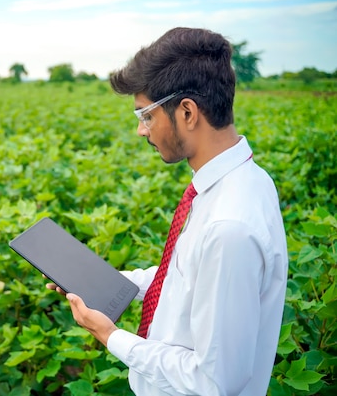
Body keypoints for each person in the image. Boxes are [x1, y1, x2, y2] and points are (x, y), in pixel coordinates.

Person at [46, 27, 288, 396]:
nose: (141, 131)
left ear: (187, 111)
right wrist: (103, 282)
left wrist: (111, 336)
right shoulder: (238, 182)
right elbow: (187, 279)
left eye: (146, 115)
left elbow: (215, 382)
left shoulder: (230, 226)